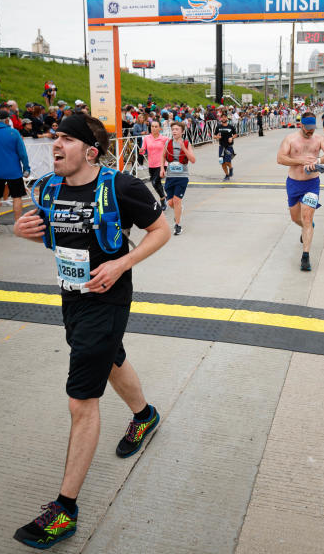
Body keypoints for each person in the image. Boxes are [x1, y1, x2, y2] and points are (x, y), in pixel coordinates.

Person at [11, 114, 170, 550]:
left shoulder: (123, 188)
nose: (55, 145)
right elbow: (43, 232)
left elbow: (162, 229)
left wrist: (121, 263)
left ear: (90, 150)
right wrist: (20, 229)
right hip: (72, 297)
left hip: (109, 298)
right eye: (54, 138)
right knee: (110, 358)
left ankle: (65, 510)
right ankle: (145, 415)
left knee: (82, 399)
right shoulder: (47, 187)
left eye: (65, 139)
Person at [277, 113, 324, 271]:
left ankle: (305, 257)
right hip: (293, 184)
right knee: (296, 218)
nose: (311, 131)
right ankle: (306, 227)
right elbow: (280, 158)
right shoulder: (290, 139)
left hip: (311, 184)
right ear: (301, 125)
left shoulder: (319, 139)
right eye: (308, 128)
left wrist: (317, 161)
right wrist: (300, 161)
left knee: (307, 218)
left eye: (313, 128)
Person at [161, 121, 195, 236]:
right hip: (170, 176)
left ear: (182, 132)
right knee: (170, 203)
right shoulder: (168, 143)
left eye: (177, 129)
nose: (174, 131)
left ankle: (178, 225)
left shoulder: (186, 143)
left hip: (182, 177)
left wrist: (183, 148)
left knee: (176, 200)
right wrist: (162, 168)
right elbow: (163, 156)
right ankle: (179, 208)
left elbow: (193, 160)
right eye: (173, 129)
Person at [141, 121, 169, 210]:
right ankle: (164, 195)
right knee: (156, 183)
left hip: (162, 164)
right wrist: (141, 150)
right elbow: (143, 150)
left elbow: (169, 151)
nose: (153, 128)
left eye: (156, 126)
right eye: (152, 126)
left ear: (160, 128)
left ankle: (162, 200)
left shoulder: (164, 139)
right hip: (151, 164)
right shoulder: (146, 138)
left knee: (155, 182)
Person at [214, 114, 236, 180]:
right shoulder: (218, 127)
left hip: (229, 146)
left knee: (227, 162)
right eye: (222, 117)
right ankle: (227, 175)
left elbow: (235, 134)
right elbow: (214, 136)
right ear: (221, 118)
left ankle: (231, 168)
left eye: (225, 117)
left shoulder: (231, 127)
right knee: (222, 162)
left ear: (227, 118)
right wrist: (217, 137)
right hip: (221, 146)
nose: (223, 118)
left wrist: (232, 138)